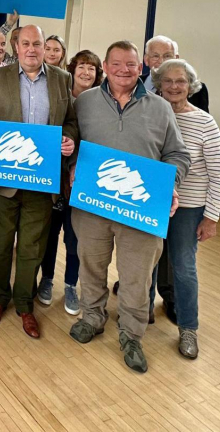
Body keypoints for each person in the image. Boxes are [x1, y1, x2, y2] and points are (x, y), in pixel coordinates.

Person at [69, 40, 190, 373]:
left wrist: (171, 185)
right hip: (93, 206)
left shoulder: (160, 108)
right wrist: (72, 165)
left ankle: (132, 335)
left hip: (140, 209)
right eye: (117, 64)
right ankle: (92, 317)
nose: (124, 70)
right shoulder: (85, 103)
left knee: (136, 277)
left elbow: (178, 155)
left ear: (142, 68)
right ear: (105, 67)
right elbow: (71, 144)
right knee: (90, 265)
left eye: (131, 65)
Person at [0, 25, 78, 339]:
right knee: (1, 243)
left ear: (45, 47)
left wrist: (70, 140)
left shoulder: (63, 79)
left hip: (42, 181)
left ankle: (24, 303)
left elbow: (71, 122)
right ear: (16, 47)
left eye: (38, 43)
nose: (32, 49)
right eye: (26, 43)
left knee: (32, 248)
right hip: (5, 180)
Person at [151, 59, 219, 359]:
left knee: (183, 266)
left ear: (189, 85)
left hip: (189, 207)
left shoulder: (205, 122)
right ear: (159, 84)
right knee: (145, 263)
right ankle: (140, 316)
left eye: (180, 81)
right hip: (150, 201)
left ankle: (189, 328)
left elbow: (217, 172)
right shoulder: (151, 114)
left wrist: (212, 217)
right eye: (168, 81)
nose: (174, 86)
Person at [36, 50, 103, 315]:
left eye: (92, 69)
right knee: (50, 234)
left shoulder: (100, 103)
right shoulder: (60, 95)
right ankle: (47, 279)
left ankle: (71, 285)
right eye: (82, 67)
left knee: (75, 239)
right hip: (54, 178)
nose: (86, 73)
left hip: (84, 181)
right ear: (72, 69)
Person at [142, 35, 208, 112]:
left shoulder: (197, 89)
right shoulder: (133, 85)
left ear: (176, 59)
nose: (161, 61)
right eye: (156, 56)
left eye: (167, 56)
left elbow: (202, 120)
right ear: (146, 60)